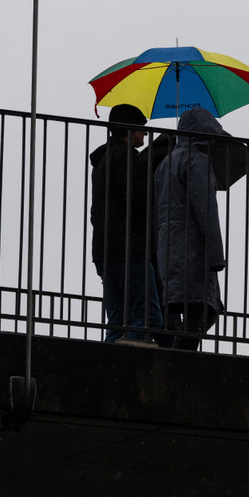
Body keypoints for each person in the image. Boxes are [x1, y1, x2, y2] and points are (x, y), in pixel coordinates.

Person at [153, 107, 227, 351]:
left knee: (188, 311)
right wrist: (216, 256)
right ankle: (177, 364)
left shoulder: (165, 164)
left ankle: (175, 360)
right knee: (199, 313)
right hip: (193, 250)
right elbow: (206, 211)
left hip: (169, 250)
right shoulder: (197, 161)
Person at [89, 104, 163, 343]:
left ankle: (108, 367)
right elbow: (139, 201)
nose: (144, 134)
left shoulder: (102, 161)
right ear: (129, 130)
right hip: (130, 249)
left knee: (118, 320)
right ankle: (129, 365)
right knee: (149, 318)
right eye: (141, 129)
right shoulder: (128, 158)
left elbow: (97, 211)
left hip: (104, 249)